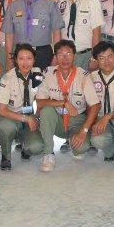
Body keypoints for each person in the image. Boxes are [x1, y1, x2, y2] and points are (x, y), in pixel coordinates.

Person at [35, 39, 101, 172]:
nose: (65, 58)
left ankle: (73, 141)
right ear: (55, 56)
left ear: (75, 56)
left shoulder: (83, 75)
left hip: (77, 120)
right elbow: (40, 102)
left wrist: (83, 131)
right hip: (57, 120)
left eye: (68, 54)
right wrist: (63, 102)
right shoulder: (48, 73)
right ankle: (48, 154)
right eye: (60, 54)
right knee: (46, 110)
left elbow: (95, 105)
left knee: (80, 149)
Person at [2, 0, 63, 71]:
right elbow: (9, 35)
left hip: (43, 54)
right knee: (21, 81)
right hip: (20, 55)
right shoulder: (13, 6)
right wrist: (9, 58)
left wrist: (56, 56)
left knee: (44, 81)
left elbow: (56, 33)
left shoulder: (50, 5)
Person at [0, 43, 44, 170]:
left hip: (29, 116)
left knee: (37, 147)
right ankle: (6, 156)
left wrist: (37, 116)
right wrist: (26, 119)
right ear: (15, 60)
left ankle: (25, 145)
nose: (25, 62)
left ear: (34, 59)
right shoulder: (7, 78)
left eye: (29, 58)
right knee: (5, 127)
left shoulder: (37, 74)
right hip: (11, 117)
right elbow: (2, 110)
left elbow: (40, 99)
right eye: (21, 58)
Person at [57, 0, 104, 71]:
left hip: (85, 55)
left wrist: (94, 57)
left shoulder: (91, 1)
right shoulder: (60, 4)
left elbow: (96, 31)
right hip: (65, 57)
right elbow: (58, 32)